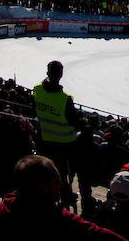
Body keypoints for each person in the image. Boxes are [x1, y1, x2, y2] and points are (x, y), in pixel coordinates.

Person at [0, 155, 126, 240]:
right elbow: (97, 234)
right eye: (56, 181)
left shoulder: (3, 207)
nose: (60, 185)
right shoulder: (55, 218)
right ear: (42, 187)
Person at [32, 60, 82, 200]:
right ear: (60, 75)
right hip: (65, 142)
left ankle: (46, 192)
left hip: (44, 138)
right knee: (64, 172)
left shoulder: (37, 89)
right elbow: (74, 122)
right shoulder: (64, 99)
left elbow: (34, 109)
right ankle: (64, 193)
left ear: (47, 73)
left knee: (47, 168)